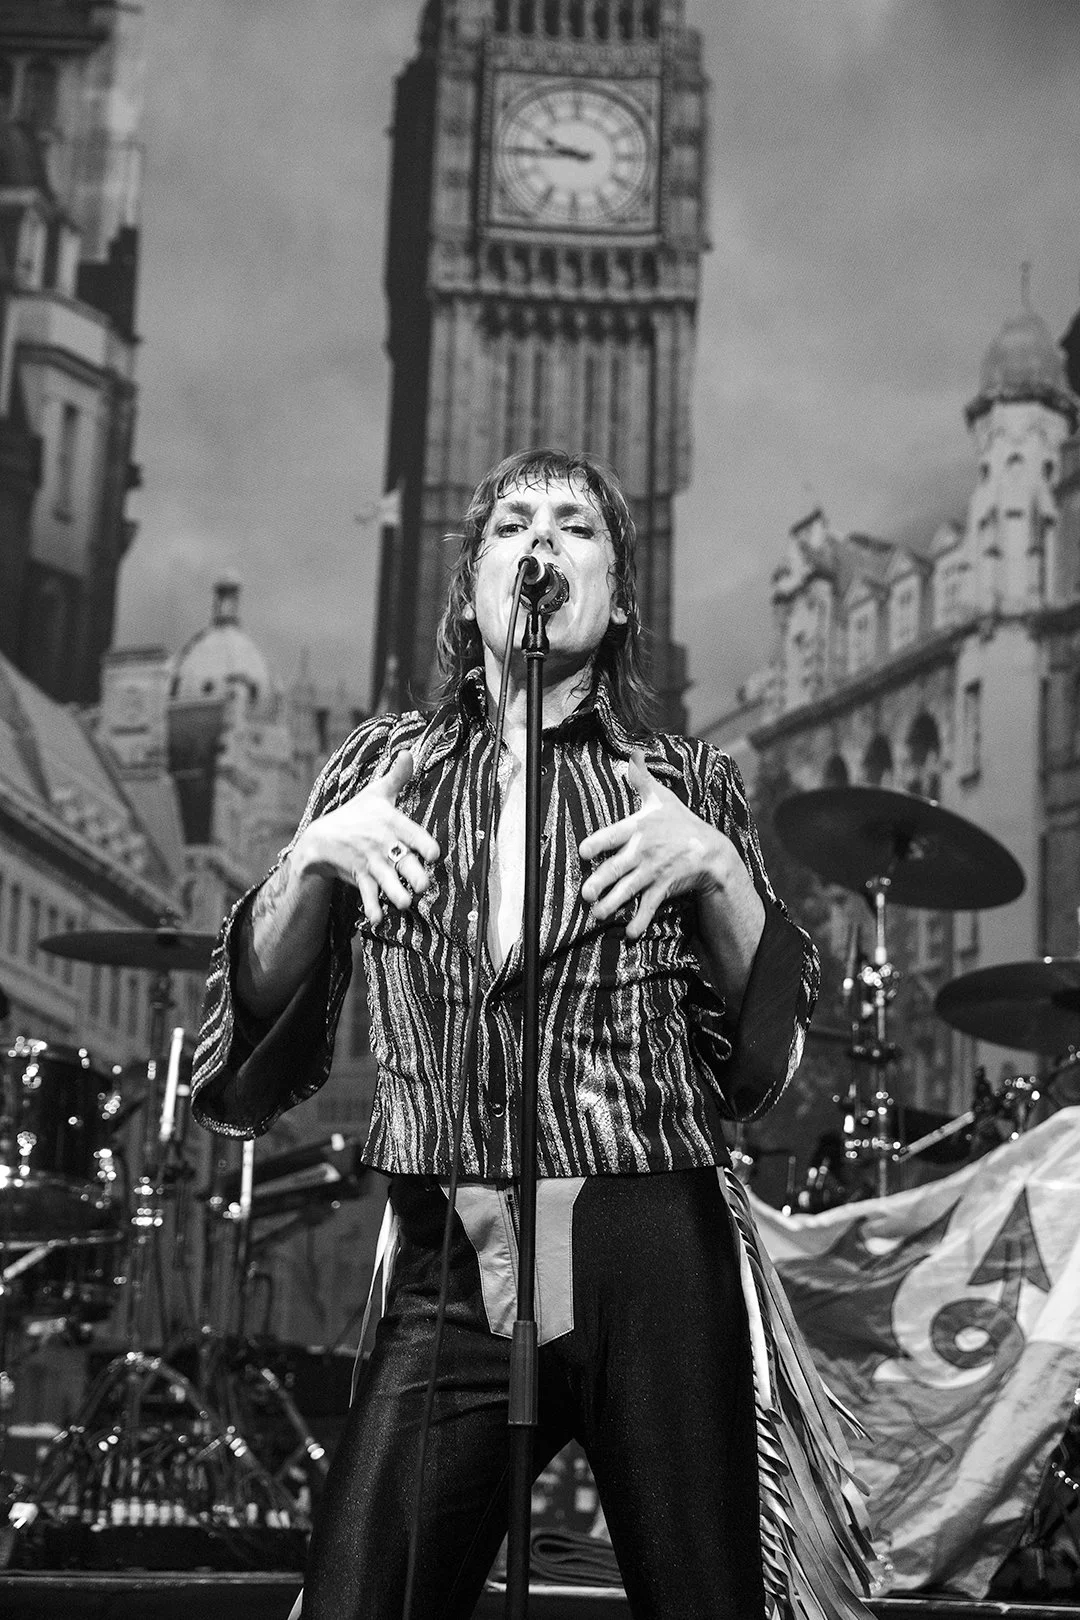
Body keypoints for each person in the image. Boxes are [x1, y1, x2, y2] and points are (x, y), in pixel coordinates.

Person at [192, 449, 874, 1620]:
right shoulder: (380, 771)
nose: (542, 545)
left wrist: (719, 874)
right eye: (513, 524)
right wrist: (311, 863)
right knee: (362, 1597)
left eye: (576, 528)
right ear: (469, 589)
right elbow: (245, 1041)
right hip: (449, 1257)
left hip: (649, 1246)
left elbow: (760, 1067)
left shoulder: (681, 779)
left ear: (615, 598)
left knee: (703, 1597)